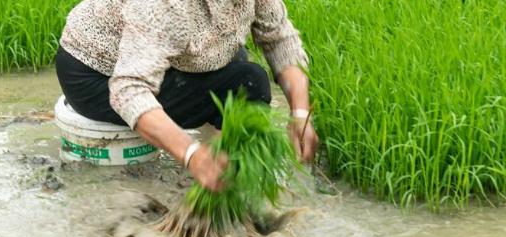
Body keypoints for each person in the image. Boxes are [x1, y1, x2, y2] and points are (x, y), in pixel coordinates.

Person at [55, 0, 319, 191]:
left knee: (236, 63)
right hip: (94, 73)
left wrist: (300, 113)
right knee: (249, 83)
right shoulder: (168, 5)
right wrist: (192, 154)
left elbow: (279, 39)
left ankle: (226, 170)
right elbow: (129, 89)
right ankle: (217, 181)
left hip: (159, 59)